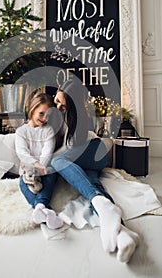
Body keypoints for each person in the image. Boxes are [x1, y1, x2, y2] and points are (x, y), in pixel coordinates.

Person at [51, 79, 139, 263]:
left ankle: (108, 213)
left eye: (61, 103)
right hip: (88, 161)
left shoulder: (78, 117)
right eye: (57, 100)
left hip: (93, 151)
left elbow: (68, 153)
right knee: (93, 186)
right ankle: (124, 235)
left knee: (58, 160)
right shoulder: (63, 115)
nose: (56, 105)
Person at [15, 91, 64, 230]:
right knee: (23, 184)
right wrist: (35, 165)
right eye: (41, 113)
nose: (44, 118)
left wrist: (40, 165)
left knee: (51, 174)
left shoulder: (48, 131)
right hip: (28, 173)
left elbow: (46, 153)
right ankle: (44, 209)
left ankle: (40, 207)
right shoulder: (21, 131)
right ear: (32, 110)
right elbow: (22, 153)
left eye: (47, 115)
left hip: (45, 170)